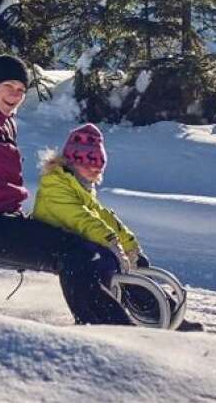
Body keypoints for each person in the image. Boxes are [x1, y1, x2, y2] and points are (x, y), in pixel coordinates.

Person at [0, 55, 132, 326]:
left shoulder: (2, 122)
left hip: (0, 220)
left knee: (89, 245)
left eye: (20, 90)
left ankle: (134, 315)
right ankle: (110, 330)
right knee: (75, 254)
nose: (16, 96)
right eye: (9, 86)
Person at [32, 123, 203, 332]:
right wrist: (113, 244)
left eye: (98, 165)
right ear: (72, 161)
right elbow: (83, 219)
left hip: (76, 241)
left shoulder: (80, 184)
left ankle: (164, 312)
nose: (94, 169)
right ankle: (111, 323)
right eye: (88, 163)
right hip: (52, 241)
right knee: (107, 262)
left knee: (125, 266)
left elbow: (103, 216)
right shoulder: (55, 185)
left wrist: (130, 246)